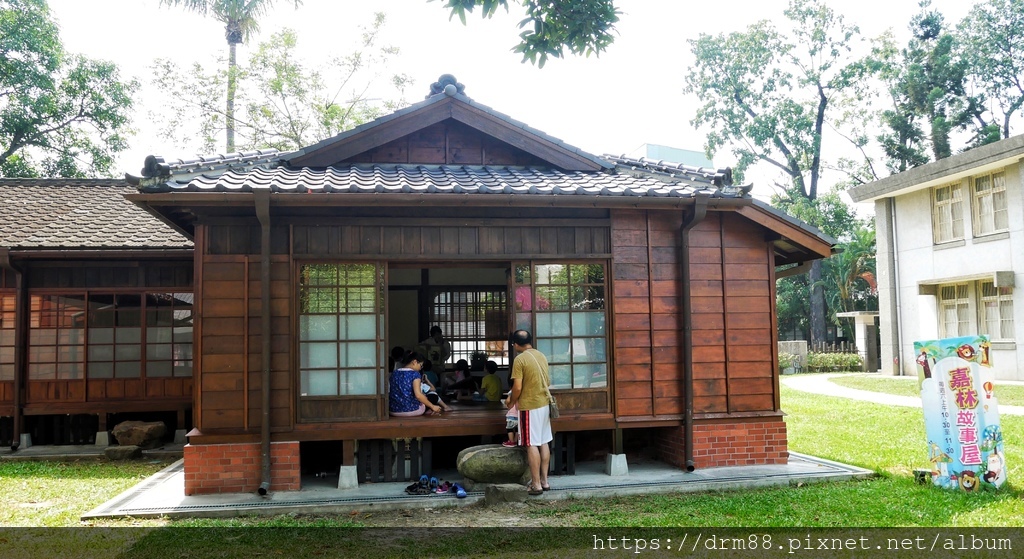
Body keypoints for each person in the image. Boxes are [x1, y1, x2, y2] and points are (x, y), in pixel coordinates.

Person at [505, 329, 552, 495]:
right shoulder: (541, 355)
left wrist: (511, 401)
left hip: (529, 406)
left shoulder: (520, 359)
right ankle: (545, 481)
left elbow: (517, 387)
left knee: (531, 443)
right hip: (544, 404)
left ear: (516, 344)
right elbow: (547, 381)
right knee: (544, 441)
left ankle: (536, 484)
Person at [389, 350, 443, 417]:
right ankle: (430, 410)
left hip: (393, 410)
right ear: (414, 362)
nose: (420, 368)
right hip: (411, 410)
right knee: (433, 397)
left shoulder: (394, 373)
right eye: (421, 365)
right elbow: (418, 395)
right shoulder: (415, 374)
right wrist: (433, 407)